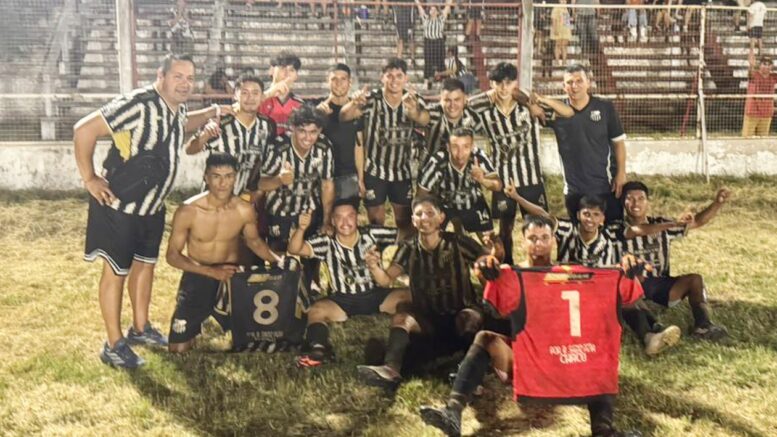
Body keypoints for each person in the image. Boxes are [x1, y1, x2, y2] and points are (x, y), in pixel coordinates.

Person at [74, 53, 234, 368]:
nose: (185, 83)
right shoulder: (138, 104)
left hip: (152, 208)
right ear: (160, 76)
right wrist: (90, 178)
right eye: (178, 76)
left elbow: (182, 122)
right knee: (116, 272)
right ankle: (113, 344)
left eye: (190, 78)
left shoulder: (174, 108)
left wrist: (212, 112)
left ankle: (140, 328)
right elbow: (84, 130)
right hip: (120, 206)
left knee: (145, 266)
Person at [418, 215, 644, 437]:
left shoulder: (569, 273)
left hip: (567, 360)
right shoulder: (513, 276)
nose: (539, 244)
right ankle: (453, 412)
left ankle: (604, 430)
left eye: (545, 237)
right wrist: (487, 271)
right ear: (523, 241)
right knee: (486, 338)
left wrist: (626, 271)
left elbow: (616, 290)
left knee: (597, 352)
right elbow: (492, 296)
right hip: (530, 361)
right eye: (533, 238)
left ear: (554, 240)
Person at [506, 191, 682, 355]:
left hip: (598, 292)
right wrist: (517, 198)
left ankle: (652, 334)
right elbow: (543, 214)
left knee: (626, 294)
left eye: (596, 215)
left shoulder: (610, 235)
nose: (590, 219)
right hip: (568, 292)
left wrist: (669, 225)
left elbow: (636, 232)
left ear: (602, 219)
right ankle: (653, 331)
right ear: (578, 215)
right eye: (586, 214)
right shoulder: (567, 229)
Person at [356, 195, 492, 389]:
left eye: (430, 213)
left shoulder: (458, 242)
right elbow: (385, 280)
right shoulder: (408, 248)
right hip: (428, 321)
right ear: (413, 220)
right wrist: (373, 266)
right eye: (419, 214)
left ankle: (467, 370)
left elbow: (486, 260)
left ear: (441, 217)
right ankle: (390, 369)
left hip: (460, 314)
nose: (425, 218)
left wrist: (492, 254)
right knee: (401, 317)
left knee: (469, 318)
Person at [166, 153, 281, 353]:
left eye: (228, 176)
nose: (222, 183)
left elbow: (254, 242)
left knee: (257, 342)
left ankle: (235, 322)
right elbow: (172, 255)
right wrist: (210, 272)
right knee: (178, 348)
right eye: (216, 176)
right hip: (200, 274)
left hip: (233, 278)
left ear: (235, 177)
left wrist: (277, 260)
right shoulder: (189, 211)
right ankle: (195, 326)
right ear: (206, 177)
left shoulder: (244, 209)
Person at [469, 62, 573, 265]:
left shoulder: (529, 107)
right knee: (505, 229)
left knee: (541, 225)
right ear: (491, 84)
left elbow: (568, 112)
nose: (503, 88)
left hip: (531, 178)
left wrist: (536, 100)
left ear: (515, 83)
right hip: (503, 181)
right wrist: (486, 96)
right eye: (498, 83)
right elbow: (464, 106)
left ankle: (541, 265)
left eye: (508, 83)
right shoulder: (486, 113)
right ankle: (508, 267)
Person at [289, 203, 406, 367]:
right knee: (316, 310)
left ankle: (410, 340)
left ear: (357, 217)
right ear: (333, 221)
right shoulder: (326, 242)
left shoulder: (371, 233)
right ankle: (318, 349)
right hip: (342, 300)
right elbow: (295, 249)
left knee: (409, 296)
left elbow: (406, 236)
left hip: (375, 294)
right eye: (340, 217)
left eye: (350, 216)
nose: (345, 222)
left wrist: (397, 266)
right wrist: (301, 229)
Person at [613, 181, 731, 339]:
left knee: (695, 279)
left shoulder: (661, 223)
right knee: (628, 280)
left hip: (662, 284)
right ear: (623, 202)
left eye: (641, 198)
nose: (636, 203)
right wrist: (673, 223)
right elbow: (638, 230)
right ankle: (651, 327)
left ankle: (703, 325)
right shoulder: (616, 228)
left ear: (647, 202)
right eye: (630, 199)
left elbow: (697, 221)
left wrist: (717, 203)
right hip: (634, 286)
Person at [340, 57, 430, 239]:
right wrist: (354, 103)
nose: (394, 80)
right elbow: (344, 116)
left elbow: (425, 120)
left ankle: (402, 253)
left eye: (399, 76)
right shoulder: (372, 99)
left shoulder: (413, 99)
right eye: (390, 76)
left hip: (401, 171)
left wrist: (414, 111)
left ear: (406, 78)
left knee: (405, 221)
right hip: (375, 170)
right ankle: (377, 253)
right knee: (376, 220)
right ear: (382, 78)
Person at [549, 64, 628, 224]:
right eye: (570, 82)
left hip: (605, 187)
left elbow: (618, 142)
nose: (574, 86)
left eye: (579, 81)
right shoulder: (556, 111)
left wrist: (621, 173)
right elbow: (530, 105)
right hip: (574, 190)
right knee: (579, 234)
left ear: (588, 83)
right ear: (563, 86)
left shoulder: (605, 107)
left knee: (611, 231)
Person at [257, 105, 335, 253]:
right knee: (279, 258)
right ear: (293, 128)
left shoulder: (324, 146)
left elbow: (327, 185)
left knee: (310, 257)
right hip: (279, 211)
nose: (307, 137)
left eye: (313, 132)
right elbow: (261, 184)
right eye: (302, 131)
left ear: (320, 130)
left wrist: (326, 221)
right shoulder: (278, 147)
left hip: (309, 211)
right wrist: (279, 180)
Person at [186, 74, 276, 196]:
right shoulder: (221, 121)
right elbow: (190, 150)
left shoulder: (268, 125)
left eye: (255, 93)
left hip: (244, 198)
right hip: (215, 197)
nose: (250, 98)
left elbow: (264, 162)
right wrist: (205, 135)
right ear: (235, 95)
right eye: (244, 93)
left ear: (262, 97)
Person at [417, 127, 502, 238]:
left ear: (472, 147)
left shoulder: (478, 156)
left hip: (474, 202)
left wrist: (483, 180)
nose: (460, 153)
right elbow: (421, 194)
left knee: (492, 244)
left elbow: (498, 185)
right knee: (431, 240)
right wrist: (427, 216)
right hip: (444, 204)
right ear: (448, 147)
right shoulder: (437, 161)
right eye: (455, 147)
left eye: (466, 147)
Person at [315, 64, 364, 207]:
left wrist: (361, 179)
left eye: (343, 79)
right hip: (322, 176)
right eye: (334, 79)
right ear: (327, 81)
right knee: (322, 218)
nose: (339, 83)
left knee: (347, 216)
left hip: (348, 175)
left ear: (350, 82)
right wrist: (317, 117)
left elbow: (358, 146)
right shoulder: (318, 107)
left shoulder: (356, 109)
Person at [422, 78, 483, 164]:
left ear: (465, 99)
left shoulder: (474, 118)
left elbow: (481, 148)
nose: (452, 105)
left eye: (457, 100)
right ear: (440, 100)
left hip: (464, 168)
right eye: (447, 100)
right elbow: (419, 116)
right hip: (433, 167)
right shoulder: (434, 112)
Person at [260, 52, 304, 136]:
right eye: (282, 68)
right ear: (271, 70)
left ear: (296, 76)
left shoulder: (300, 105)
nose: (287, 74)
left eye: (291, 70)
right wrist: (269, 94)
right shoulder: (257, 98)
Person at [416, 0, 452, 90]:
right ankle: (426, 81)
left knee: (440, 62)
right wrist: (417, 1)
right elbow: (420, 7)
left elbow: (447, 7)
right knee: (428, 62)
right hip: (428, 42)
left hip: (438, 42)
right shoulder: (425, 18)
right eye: (431, 10)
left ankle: (443, 82)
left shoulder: (441, 19)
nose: (432, 11)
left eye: (434, 10)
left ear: (437, 12)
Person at [741, 54, 776, 137]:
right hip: (752, 112)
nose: (766, 66)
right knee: (747, 138)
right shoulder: (754, 75)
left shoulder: (773, 77)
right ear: (760, 65)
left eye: (769, 64)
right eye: (764, 64)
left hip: (766, 113)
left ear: (771, 66)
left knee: (763, 139)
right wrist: (751, 65)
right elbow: (750, 73)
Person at [551, 0, 573, 65]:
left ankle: (564, 61)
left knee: (564, 45)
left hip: (565, 30)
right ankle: (557, 61)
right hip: (558, 28)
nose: (563, 1)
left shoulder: (566, 9)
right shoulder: (556, 8)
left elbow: (567, 22)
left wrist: (568, 30)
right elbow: (554, 19)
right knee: (558, 45)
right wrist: (555, 29)